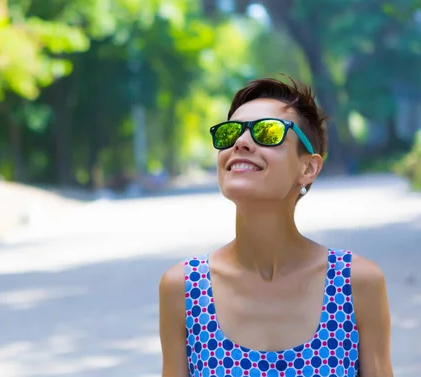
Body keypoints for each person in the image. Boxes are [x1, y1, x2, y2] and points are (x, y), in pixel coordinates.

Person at [158, 77, 393, 377]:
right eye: (230, 133)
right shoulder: (184, 289)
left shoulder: (357, 283)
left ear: (308, 168)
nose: (240, 142)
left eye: (267, 132)